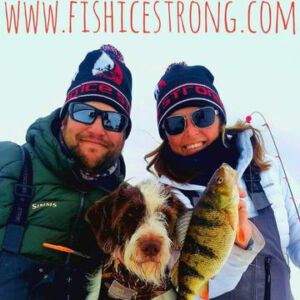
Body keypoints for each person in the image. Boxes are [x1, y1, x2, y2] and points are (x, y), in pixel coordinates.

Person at [146, 63, 300, 299]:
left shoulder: (266, 169)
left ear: (220, 117)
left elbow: (296, 239)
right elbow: (191, 289)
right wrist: (239, 248)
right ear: (165, 134)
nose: (191, 133)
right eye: (176, 124)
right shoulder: (163, 202)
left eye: (202, 116)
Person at [0, 45, 133, 300]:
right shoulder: (8, 164)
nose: (96, 128)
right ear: (64, 118)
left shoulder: (129, 207)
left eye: (113, 119)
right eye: (84, 112)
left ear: (124, 134)